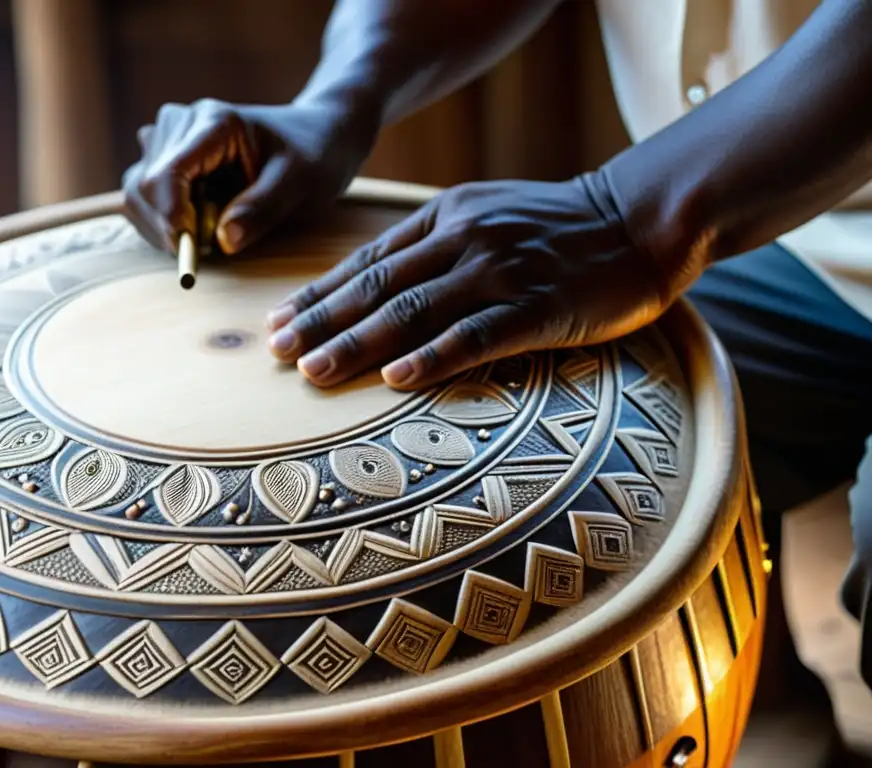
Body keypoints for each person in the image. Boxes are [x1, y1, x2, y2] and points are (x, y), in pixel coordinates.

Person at [123, 0, 872, 759]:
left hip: (724, 206)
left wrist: (627, 217)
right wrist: (340, 96)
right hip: (787, 229)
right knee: (499, 482)